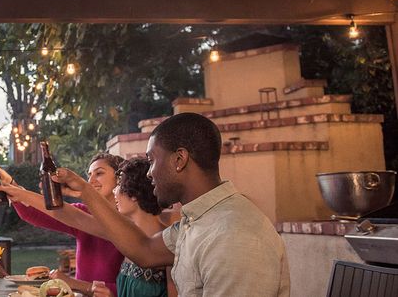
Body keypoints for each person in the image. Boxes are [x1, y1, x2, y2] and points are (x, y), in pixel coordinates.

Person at [52, 113, 290, 297]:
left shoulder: (234, 236)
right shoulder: (199, 220)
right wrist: (84, 190)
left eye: (152, 160)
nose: (148, 173)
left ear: (179, 159)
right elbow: (143, 250)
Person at [0, 153, 125, 295]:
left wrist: (77, 284)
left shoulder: (130, 223)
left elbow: (134, 287)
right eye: (89, 175)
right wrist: (11, 184)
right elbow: (32, 213)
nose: (91, 180)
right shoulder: (84, 212)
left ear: (119, 178)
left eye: (99, 173)